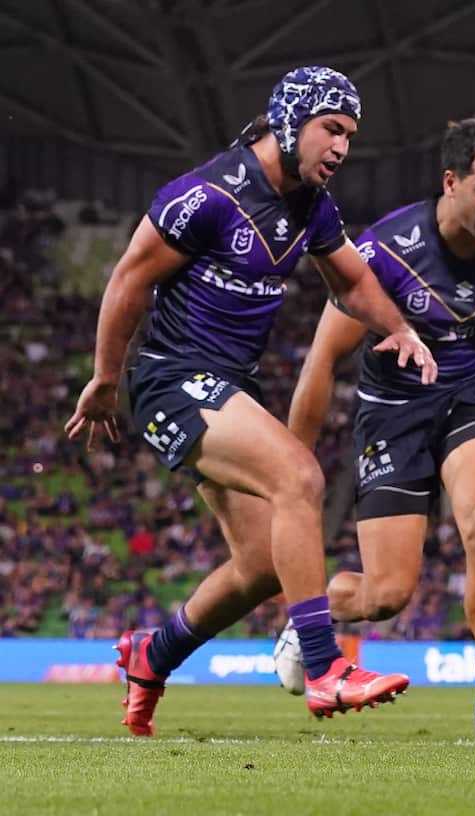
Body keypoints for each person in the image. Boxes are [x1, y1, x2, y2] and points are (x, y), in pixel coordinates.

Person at [64, 66, 436, 736]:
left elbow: (352, 282)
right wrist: (104, 378)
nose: (342, 147)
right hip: (172, 381)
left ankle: (155, 652)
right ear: (292, 121)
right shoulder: (205, 195)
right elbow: (129, 279)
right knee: (299, 477)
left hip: (230, 386)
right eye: (332, 129)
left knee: (265, 566)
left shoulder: (312, 207)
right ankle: (324, 669)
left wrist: (401, 329)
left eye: (349, 134)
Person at [279, 118, 475, 740]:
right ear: (450, 182)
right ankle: (310, 618)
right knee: (386, 596)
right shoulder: (383, 253)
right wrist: (294, 463)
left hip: (470, 402)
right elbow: (322, 360)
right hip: (393, 416)